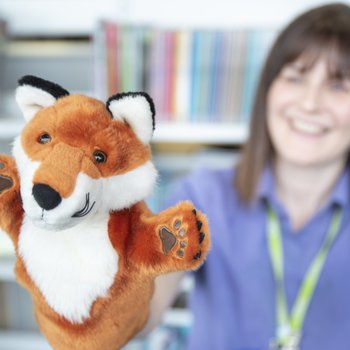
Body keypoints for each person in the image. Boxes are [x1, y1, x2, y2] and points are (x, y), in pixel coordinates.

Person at [138, 3, 350, 349]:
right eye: (295, 77)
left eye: (339, 86)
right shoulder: (202, 197)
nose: (310, 104)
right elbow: (146, 307)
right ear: (267, 88)